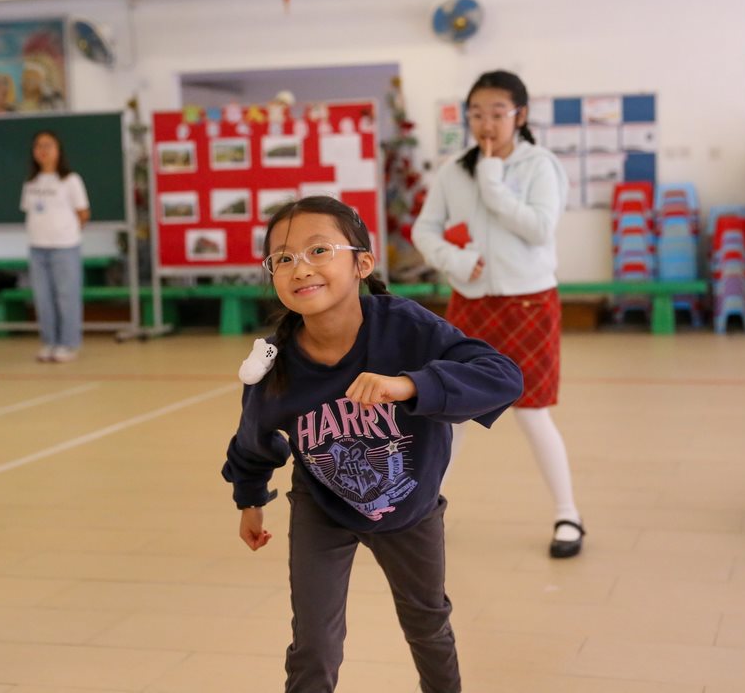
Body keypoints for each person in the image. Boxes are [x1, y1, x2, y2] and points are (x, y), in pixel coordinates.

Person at [222, 195, 522, 693]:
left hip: (410, 505)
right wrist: (249, 500)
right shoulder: (273, 365)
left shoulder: (405, 326)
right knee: (314, 645)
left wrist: (410, 385)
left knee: (428, 624)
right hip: (322, 506)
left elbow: (502, 376)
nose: (301, 268)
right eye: (284, 258)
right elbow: (254, 438)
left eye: (319, 250)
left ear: (363, 263)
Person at [411, 70, 585, 558]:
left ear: (520, 116)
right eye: (476, 114)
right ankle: (422, 511)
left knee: (532, 412)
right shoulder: (453, 170)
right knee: (452, 413)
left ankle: (568, 514)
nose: (485, 124)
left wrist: (492, 182)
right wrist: (456, 260)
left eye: (497, 113)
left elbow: (539, 228)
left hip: (529, 302)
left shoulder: (540, 166)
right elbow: (425, 230)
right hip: (469, 302)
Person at [20, 130, 89, 362]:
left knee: (66, 297)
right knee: (43, 299)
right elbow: (30, 211)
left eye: (48, 145)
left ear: (58, 150)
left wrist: (66, 232)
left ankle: (68, 344)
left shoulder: (70, 180)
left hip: (64, 247)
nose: (43, 150)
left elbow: (83, 213)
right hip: (37, 247)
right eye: (38, 146)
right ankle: (49, 342)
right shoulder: (31, 182)